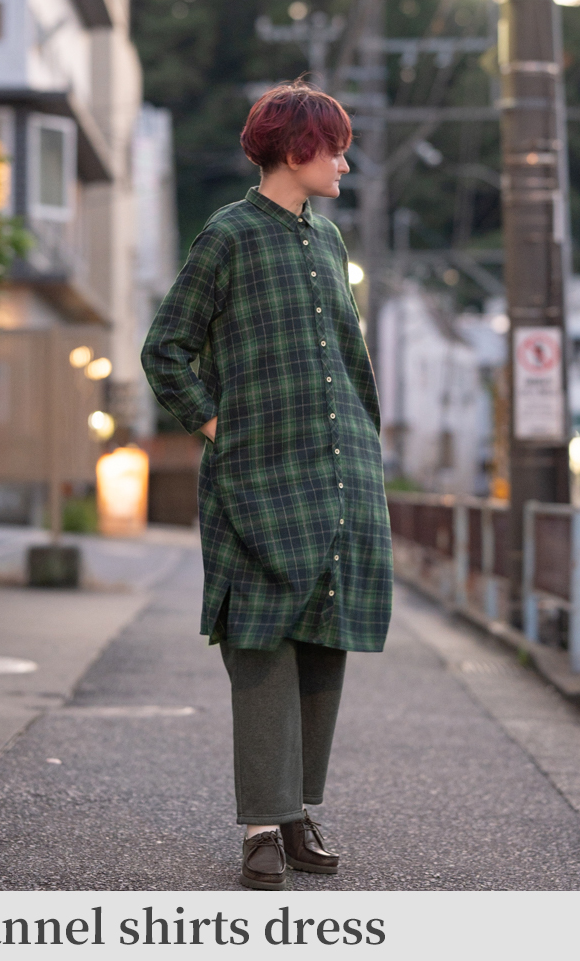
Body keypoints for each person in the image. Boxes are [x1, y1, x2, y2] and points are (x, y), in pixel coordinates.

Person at [141, 79, 393, 890]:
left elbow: (347, 362)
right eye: (335, 150)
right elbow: (165, 347)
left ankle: (294, 812)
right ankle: (259, 825)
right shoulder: (228, 235)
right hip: (254, 476)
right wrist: (218, 427)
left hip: (337, 473)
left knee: (322, 640)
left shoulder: (328, 242)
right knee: (258, 643)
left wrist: (365, 444)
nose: (344, 165)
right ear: (296, 149)